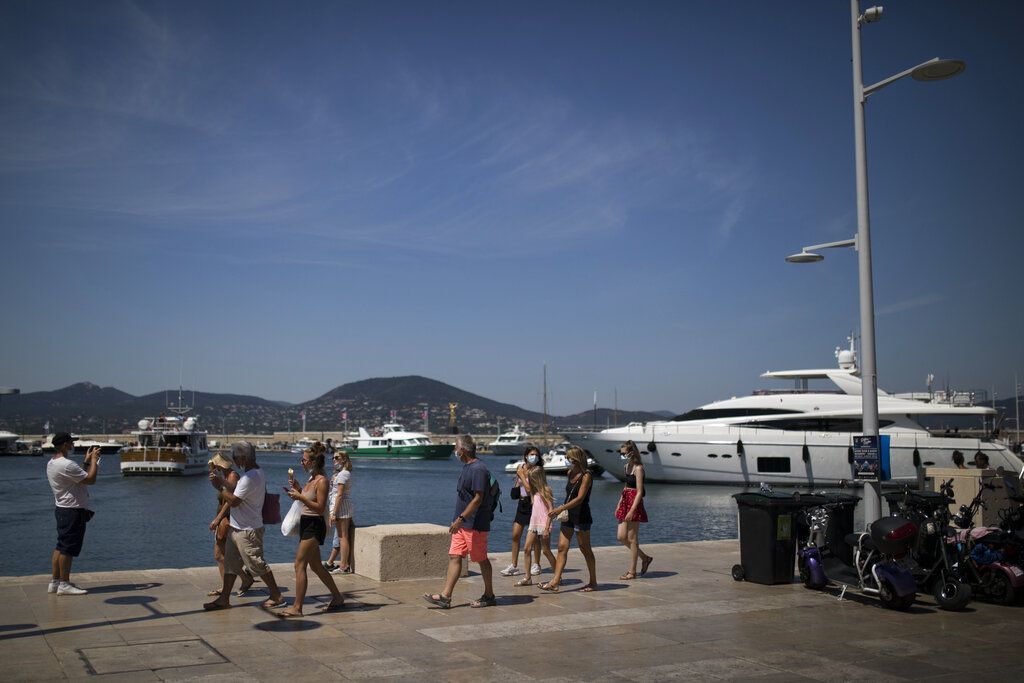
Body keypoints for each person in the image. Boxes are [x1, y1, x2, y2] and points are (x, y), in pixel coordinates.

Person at [203, 442, 285, 611]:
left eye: (235, 457)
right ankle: (224, 598)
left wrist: (219, 486)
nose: (234, 460)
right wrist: (223, 481)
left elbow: (234, 501)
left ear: (242, 457)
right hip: (237, 527)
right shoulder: (256, 473)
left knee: (256, 563)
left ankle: (277, 595)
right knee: (231, 565)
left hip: (247, 530)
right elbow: (238, 489)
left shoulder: (250, 477)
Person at [423, 434, 496, 608]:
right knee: (455, 556)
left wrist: (461, 519)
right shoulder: (467, 467)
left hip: (474, 524)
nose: (455, 451)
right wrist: (458, 521)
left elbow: (478, 498)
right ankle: (445, 596)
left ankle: (489, 595)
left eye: (456, 448)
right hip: (462, 524)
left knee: (481, 559)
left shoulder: (479, 469)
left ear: (462, 450)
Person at [280, 442, 346, 616]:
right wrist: (298, 490)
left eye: (304, 460)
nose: (301, 463)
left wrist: (300, 496)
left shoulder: (322, 481)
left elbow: (320, 507)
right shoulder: (311, 479)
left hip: (314, 525)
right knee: (316, 565)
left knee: (299, 564)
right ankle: (337, 597)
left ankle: (297, 607)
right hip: (305, 523)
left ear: (313, 462)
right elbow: (308, 500)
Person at [46, 432, 99, 596]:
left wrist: (85, 461)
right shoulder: (67, 464)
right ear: (63, 445)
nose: (73, 444)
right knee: (68, 549)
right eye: (70, 442)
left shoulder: (52, 463)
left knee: (61, 546)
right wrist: (94, 462)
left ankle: (55, 582)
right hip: (72, 511)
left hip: (62, 509)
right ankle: (64, 584)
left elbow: (77, 478)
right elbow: (90, 479)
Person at [541, 446, 597, 593]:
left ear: (577, 458)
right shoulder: (569, 472)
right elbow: (569, 495)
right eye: (566, 457)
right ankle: (555, 581)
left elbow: (579, 499)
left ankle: (593, 582)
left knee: (585, 549)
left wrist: (560, 508)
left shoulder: (586, 475)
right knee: (561, 547)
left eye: (569, 457)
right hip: (568, 516)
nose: (567, 459)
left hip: (582, 515)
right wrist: (562, 509)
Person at [207, 453, 247, 596]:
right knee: (221, 555)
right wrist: (215, 481)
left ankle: (243, 578)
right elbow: (221, 493)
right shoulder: (225, 476)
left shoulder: (232, 477)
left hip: (226, 519)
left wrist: (218, 519)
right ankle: (228, 585)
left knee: (220, 554)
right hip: (224, 518)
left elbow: (230, 501)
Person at [500, 446, 543, 577]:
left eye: (536, 454)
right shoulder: (521, 468)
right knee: (515, 535)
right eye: (531, 454)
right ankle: (514, 565)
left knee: (535, 537)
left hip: (534, 505)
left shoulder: (538, 470)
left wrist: (522, 476)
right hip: (522, 505)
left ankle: (537, 564)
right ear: (525, 456)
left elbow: (530, 489)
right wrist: (518, 480)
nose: (534, 457)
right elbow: (517, 489)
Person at [615, 440, 653, 580]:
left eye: (624, 453)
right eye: (621, 453)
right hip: (625, 500)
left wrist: (632, 510)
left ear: (631, 452)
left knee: (632, 539)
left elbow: (639, 491)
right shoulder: (626, 467)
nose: (622, 455)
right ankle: (644, 557)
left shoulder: (638, 468)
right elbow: (626, 487)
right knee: (621, 536)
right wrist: (619, 503)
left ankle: (632, 572)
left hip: (634, 502)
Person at [515, 465, 557, 586]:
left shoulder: (546, 490)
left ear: (538, 478)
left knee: (546, 551)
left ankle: (557, 576)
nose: (531, 481)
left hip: (544, 524)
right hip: (534, 523)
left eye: (532, 478)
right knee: (527, 549)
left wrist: (547, 528)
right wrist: (521, 476)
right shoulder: (533, 491)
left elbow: (551, 509)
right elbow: (525, 490)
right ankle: (528, 577)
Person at [324, 450, 354, 574]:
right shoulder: (341, 474)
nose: (334, 460)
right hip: (342, 506)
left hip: (341, 507)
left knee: (343, 536)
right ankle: (343, 565)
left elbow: (339, 495)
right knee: (342, 536)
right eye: (333, 458)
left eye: (337, 457)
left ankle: (343, 566)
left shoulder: (343, 474)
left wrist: (333, 513)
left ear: (344, 459)